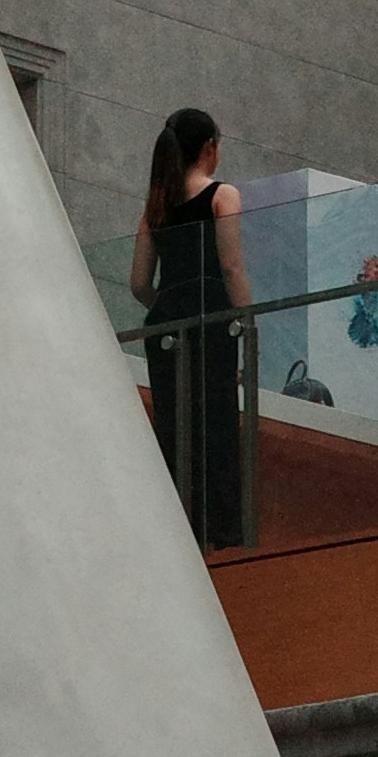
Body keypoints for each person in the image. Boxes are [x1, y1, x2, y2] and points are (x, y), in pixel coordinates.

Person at [133, 106, 252, 550]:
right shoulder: (223, 196)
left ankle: (176, 531)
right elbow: (232, 265)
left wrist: (168, 303)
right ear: (209, 148)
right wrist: (246, 322)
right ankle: (222, 531)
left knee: (174, 425)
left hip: (166, 325)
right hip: (210, 316)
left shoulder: (156, 206)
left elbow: (139, 283)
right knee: (216, 421)